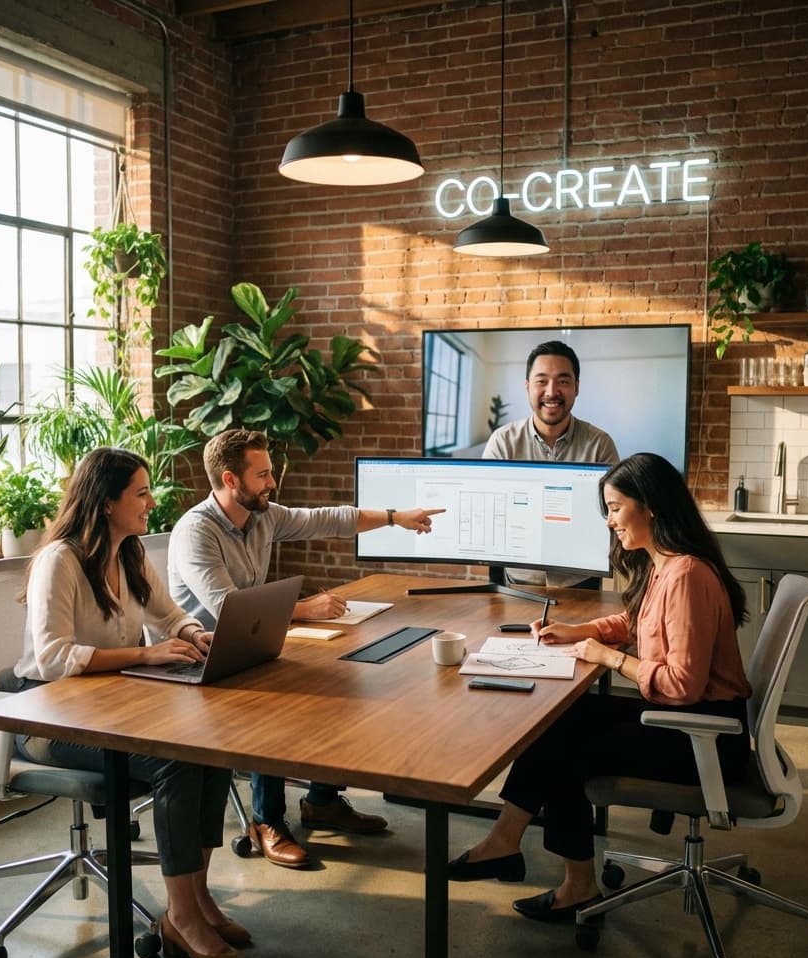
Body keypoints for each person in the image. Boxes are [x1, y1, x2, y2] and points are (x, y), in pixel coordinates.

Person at [446, 452, 753, 926]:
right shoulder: (667, 565)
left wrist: (608, 657)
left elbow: (683, 685)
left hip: (704, 736)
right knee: (558, 721)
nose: (610, 522)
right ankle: (505, 843)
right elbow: (638, 622)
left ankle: (575, 884)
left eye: (614, 508)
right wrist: (579, 630)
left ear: (649, 506)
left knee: (568, 749)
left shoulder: (687, 575)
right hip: (690, 722)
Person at [8, 447, 248, 958]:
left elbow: (168, 614)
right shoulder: (61, 560)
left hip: (107, 709)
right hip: (47, 722)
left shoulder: (132, 553)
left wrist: (192, 633)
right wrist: (145, 653)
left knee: (212, 747)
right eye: (140, 492)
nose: (150, 501)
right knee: (175, 760)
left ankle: (200, 899)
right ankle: (180, 917)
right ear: (106, 501)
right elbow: (51, 659)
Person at [169, 428, 444, 868]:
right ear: (230, 480)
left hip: (253, 648)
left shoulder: (261, 516)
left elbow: (328, 519)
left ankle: (321, 800)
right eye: (262, 475)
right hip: (201, 665)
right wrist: (304, 609)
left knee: (340, 683)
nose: (272, 483)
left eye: (270, 473)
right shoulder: (195, 532)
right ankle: (267, 821)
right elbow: (226, 608)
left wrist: (396, 516)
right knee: (278, 705)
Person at [483, 340, 618, 588]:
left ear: (576, 387)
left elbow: (615, 516)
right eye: (541, 381)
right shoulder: (502, 443)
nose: (551, 391)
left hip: (581, 581)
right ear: (527, 387)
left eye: (563, 381)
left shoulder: (600, 445)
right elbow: (489, 515)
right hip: (519, 583)